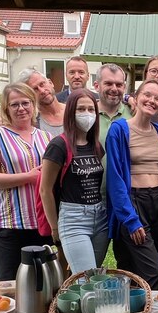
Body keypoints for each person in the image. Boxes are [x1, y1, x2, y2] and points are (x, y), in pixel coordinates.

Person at [0, 83, 52, 280]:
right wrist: (29, 177)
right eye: (14, 104)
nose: (21, 108)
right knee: (11, 282)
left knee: (43, 280)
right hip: (10, 222)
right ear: (6, 108)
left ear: (33, 105)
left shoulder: (46, 137)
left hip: (42, 221)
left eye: (25, 103)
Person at [106, 80, 158, 289]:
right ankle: (153, 308)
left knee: (141, 268)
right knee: (154, 271)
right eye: (147, 95)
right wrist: (130, 219)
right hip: (134, 203)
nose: (151, 101)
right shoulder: (119, 129)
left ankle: (138, 308)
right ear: (136, 97)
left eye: (157, 98)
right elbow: (115, 179)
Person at [39, 89, 108, 273]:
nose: (87, 114)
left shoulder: (96, 146)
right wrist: (55, 228)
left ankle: (70, 293)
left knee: (93, 277)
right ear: (70, 112)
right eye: (81, 109)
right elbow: (45, 189)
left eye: (91, 109)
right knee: (87, 278)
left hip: (100, 217)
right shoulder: (58, 145)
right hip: (73, 219)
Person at [95, 63, 133, 146]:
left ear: (124, 87)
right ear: (97, 86)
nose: (114, 89)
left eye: (119, 85)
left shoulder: (133, 113)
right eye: (108, 84)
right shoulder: (88, 114)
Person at [19, 68, 65, 136]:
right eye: (35, 89)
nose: (42, 91)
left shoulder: (74, 110)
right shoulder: (32, 124)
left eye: (42, 84)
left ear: (51, 83)